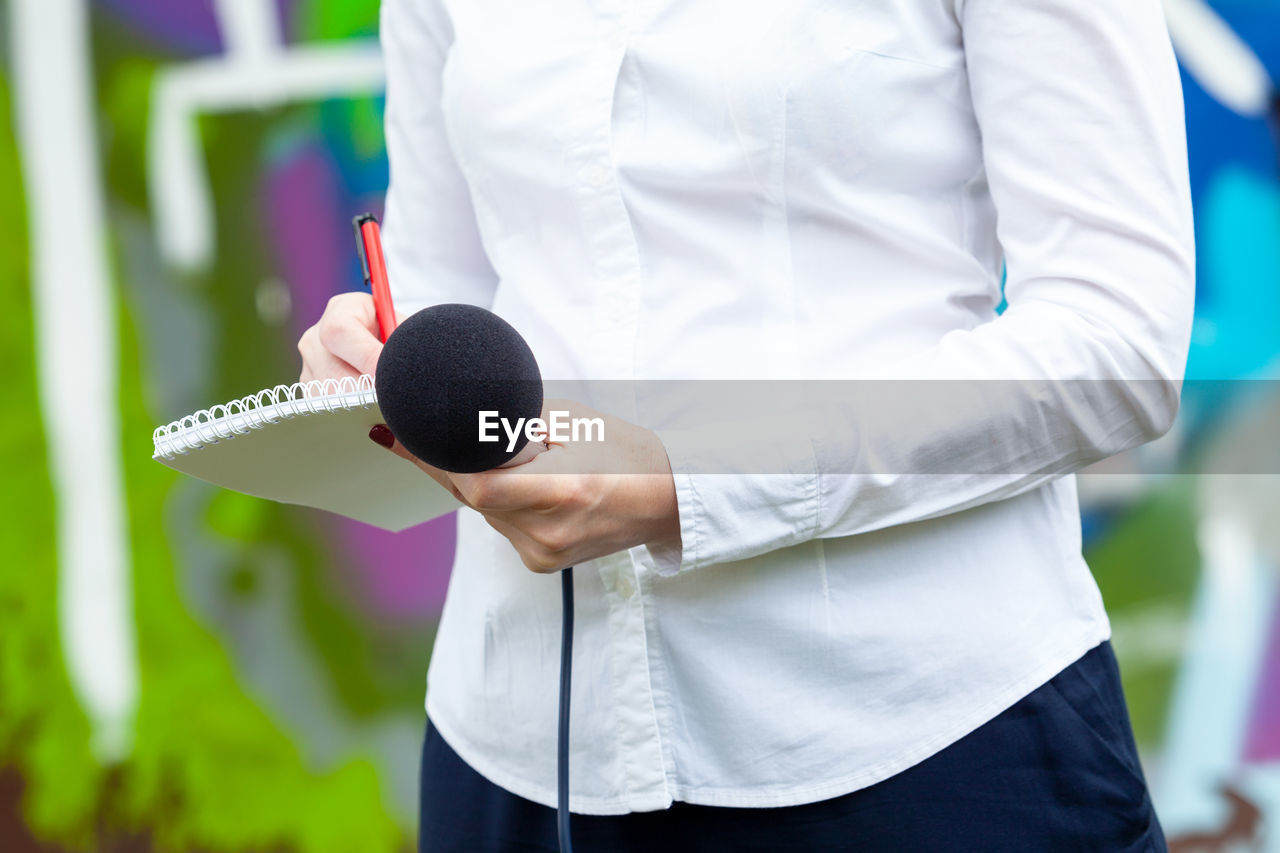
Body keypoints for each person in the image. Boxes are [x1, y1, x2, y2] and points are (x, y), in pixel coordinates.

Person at [297, 0, 1194, 848]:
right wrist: (376, 358)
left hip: (925, 744)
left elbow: (1116, 338)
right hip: (519, 755)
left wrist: (690, 476)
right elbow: (443, 274)